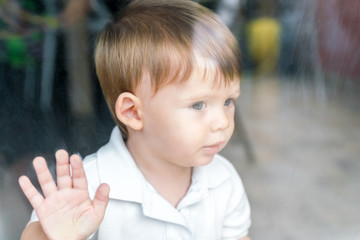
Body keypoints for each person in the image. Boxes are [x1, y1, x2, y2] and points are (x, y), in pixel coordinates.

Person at [18, 0, 251, 239]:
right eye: (198, 105)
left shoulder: (224, 179)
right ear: (133, 112)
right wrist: (54, 234)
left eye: (228, 101)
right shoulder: (89, 185)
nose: (222, 122)